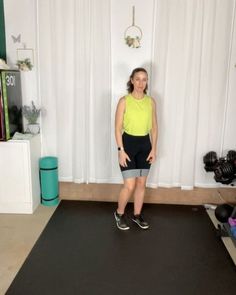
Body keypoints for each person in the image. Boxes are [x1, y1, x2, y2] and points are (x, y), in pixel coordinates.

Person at [114, 67, 158, 230]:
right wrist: (121, 150)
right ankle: (119, 213)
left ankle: (137, 215)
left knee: (141, 184)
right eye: (137, 79)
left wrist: (153, 149)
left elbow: (154, 127)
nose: (141, 83)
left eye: (144, 79)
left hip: (145, 145)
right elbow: (117, 128)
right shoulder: (124, 101)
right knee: (129, 185)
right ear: (131, 80)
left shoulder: (151, 101)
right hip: (128, 144)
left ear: (147, 81)